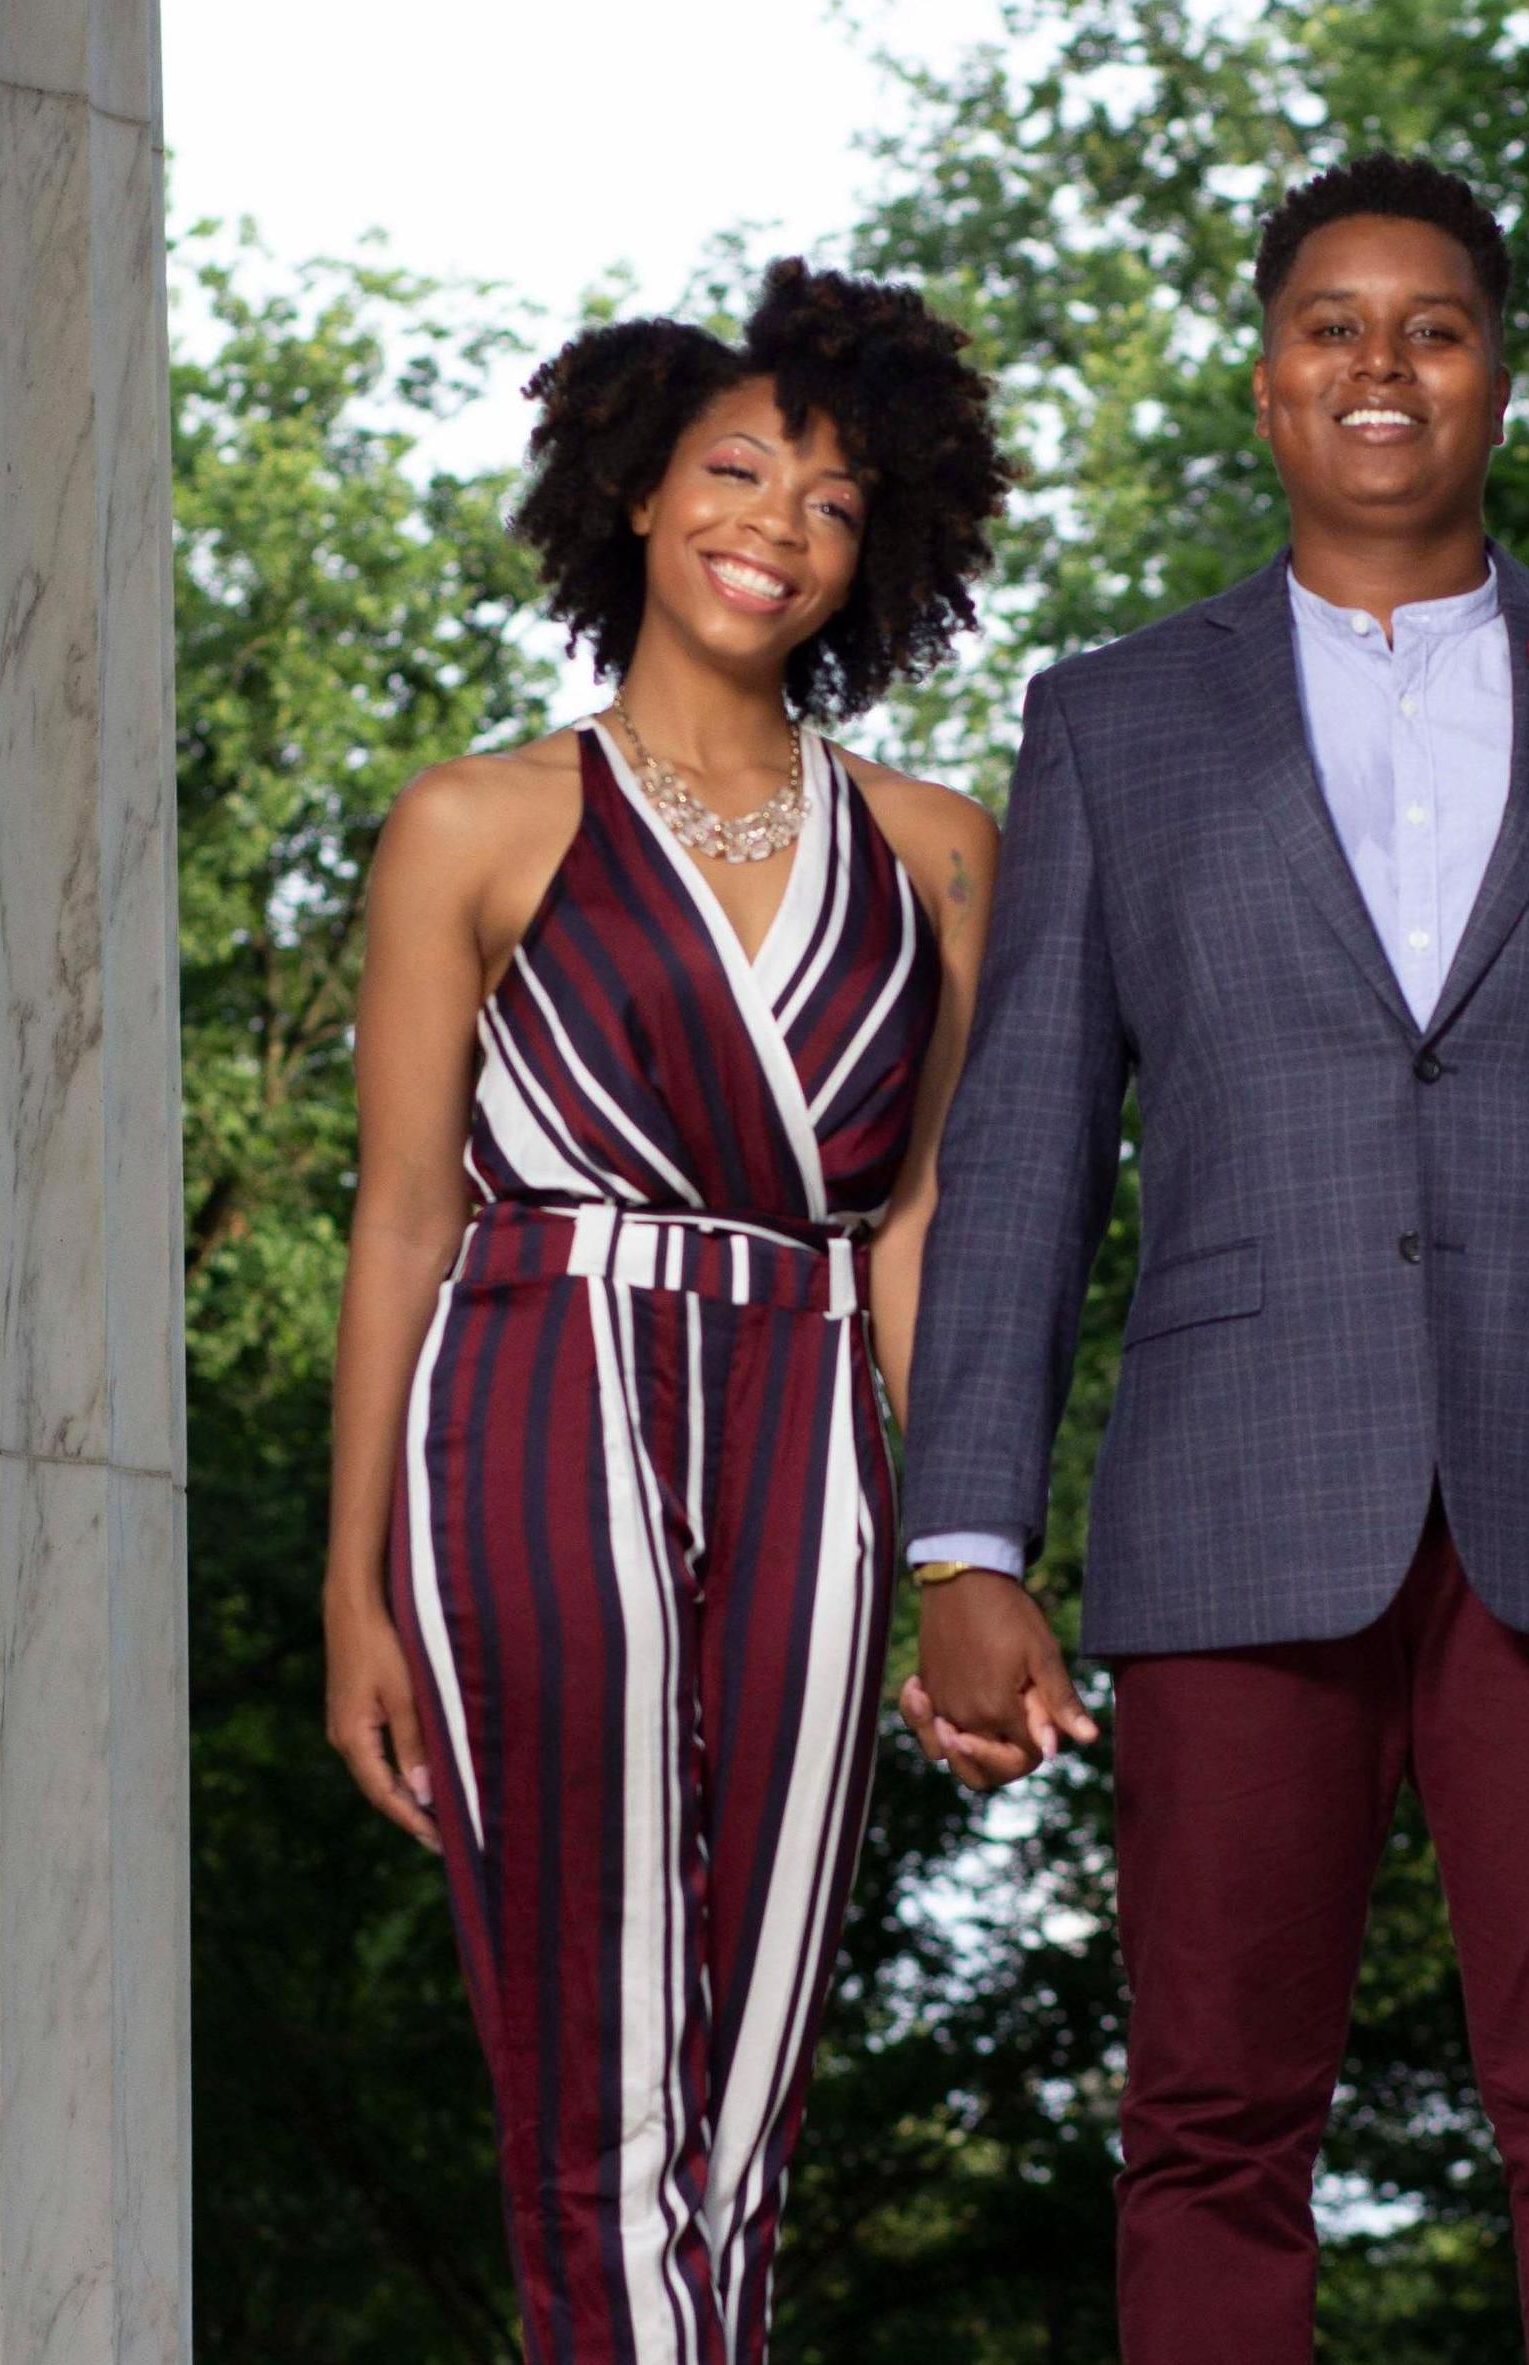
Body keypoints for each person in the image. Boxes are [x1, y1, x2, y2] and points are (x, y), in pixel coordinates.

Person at [898, 155, 1529, 2364]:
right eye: (1332, 326)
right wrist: (966, 1538)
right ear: (1269, 383)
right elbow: (1027, 1146)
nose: (1381, 363)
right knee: (1207, 2119)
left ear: (1495, 378)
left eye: (1431, 325)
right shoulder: (1112, 721)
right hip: (1233, 1492)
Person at [321, 259, 1009, 2365]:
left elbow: (915, 1227)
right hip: (537, 1404)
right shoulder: (477, 821)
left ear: (875, 551)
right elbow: (403, 1215)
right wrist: (353, 1587)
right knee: (597, 2068)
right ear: (634, 489)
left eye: (833, 500)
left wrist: (966, 1557)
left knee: (749, 2078)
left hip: (817, 1425)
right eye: (734, 472)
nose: (775, 526)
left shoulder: (939, 851)